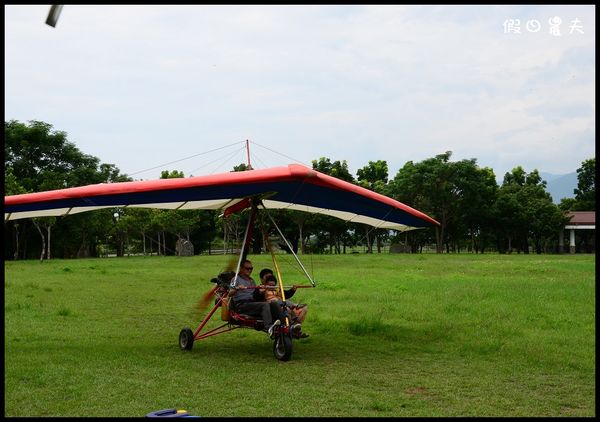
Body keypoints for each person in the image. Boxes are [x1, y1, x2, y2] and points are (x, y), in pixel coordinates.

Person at [228, 259, 282, 336]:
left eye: (251, 268)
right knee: (265, 305)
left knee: (274, 303)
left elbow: (255, 295)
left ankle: (284, 325)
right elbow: (229, 293)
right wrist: (237, 288)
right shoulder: (236, 279)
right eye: (247, 268)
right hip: (241, 305)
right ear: (241, 268)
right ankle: (269, 327)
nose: (250, 270)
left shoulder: (251, 281)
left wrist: (260, 291)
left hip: (252, 303)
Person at [258, 268, 309, 338]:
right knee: (285, 308)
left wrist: (292, 290)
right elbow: (256, 297)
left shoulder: (276, 289)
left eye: (271, 278)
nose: (270, 280)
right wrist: (261, 291)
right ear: (262, 279)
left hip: (282, 304)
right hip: (272, 307)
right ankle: (292, 326)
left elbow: (284, 295)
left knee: (304, 308)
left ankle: (295, 326)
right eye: (268, 278)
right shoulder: (261, 289)